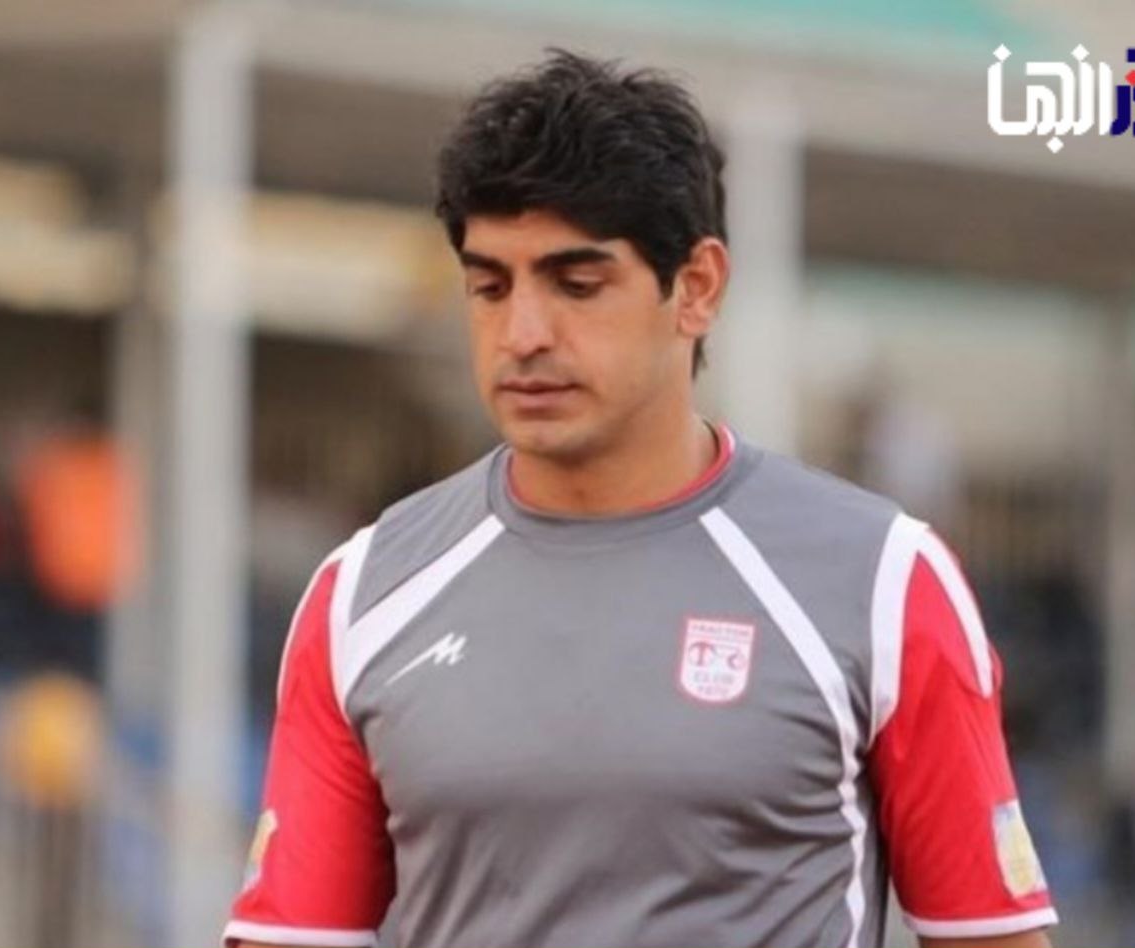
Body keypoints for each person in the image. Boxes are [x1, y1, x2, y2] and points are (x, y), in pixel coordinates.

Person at [225, 50, 1057, 948]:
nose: (523, 334)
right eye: (489, 286)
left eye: (577, 285)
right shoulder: (363, 594)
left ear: (695, 288)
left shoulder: (883, 581)